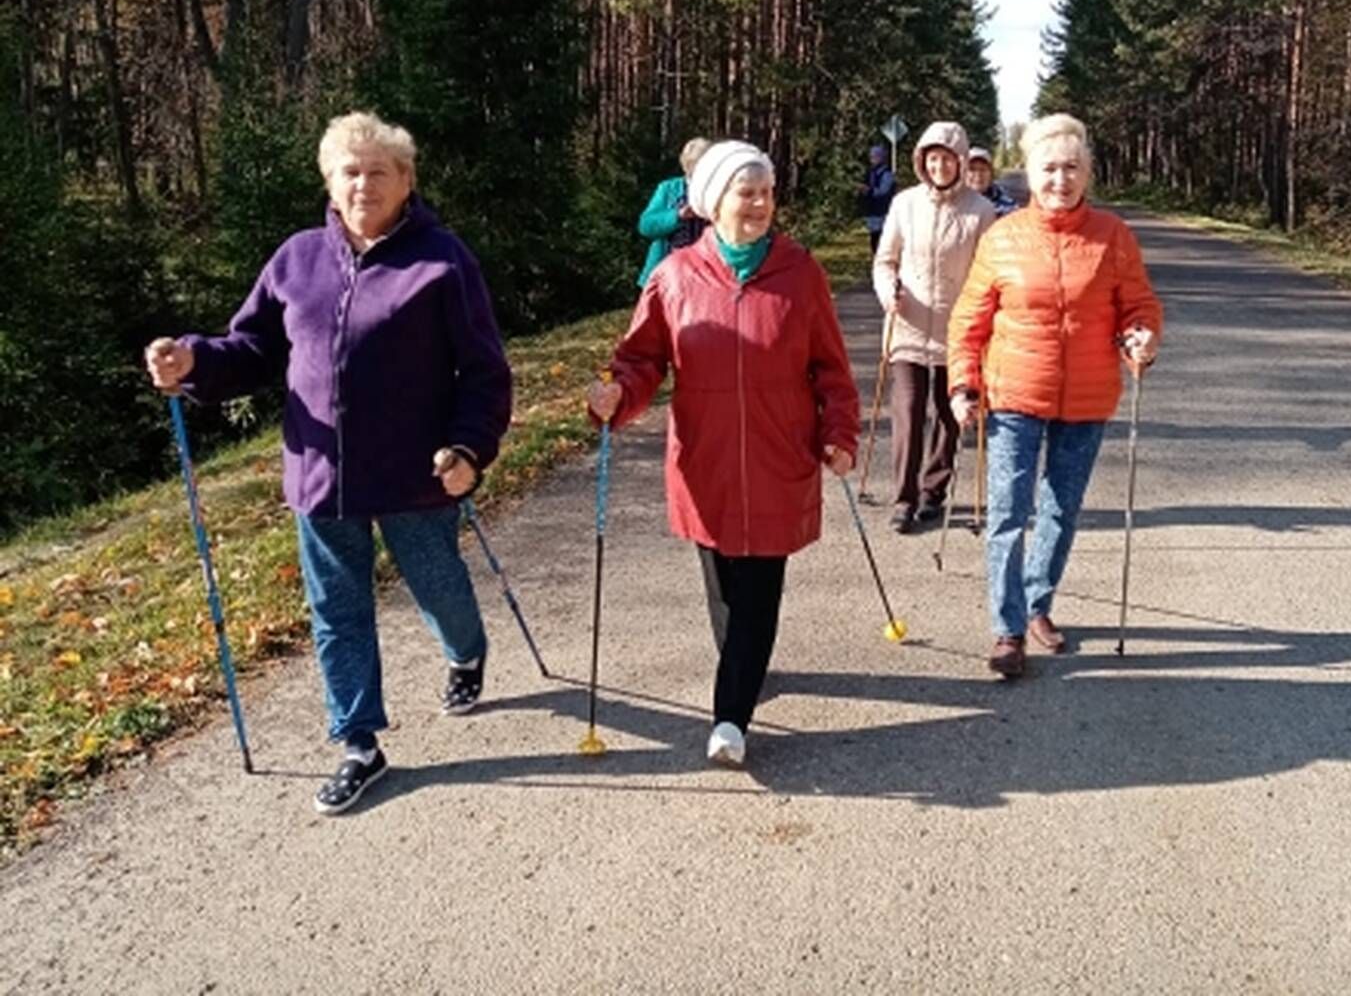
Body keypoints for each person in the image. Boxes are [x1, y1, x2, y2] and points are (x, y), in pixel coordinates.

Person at [143, 111, 512, 812]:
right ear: (329, 181)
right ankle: (359, 744)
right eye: (351, 171)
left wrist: (469, 449)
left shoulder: (443, 260)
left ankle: (466, 653)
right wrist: (193, 360)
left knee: (440, 589)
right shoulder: (296, 259)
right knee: (337, 612)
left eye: (380, 171)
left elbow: (485, 372)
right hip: (321, 476)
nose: (364, 183)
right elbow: (251, 350)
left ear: (407, 181)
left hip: (417, 473)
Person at [588, 140, 859, 768]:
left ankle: (730, 718)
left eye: (767, 191)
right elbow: (640, 360)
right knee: (727, 591)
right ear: (713, 202)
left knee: (758, 591)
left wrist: (839, 433)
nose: (761, 203)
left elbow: (832, 370)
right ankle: (743, 667)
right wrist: (615, 397)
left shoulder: (800, 272)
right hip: (704, 461)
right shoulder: (675, 277)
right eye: (747, 191)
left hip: (778, 456)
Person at [946, 112, 1161, 678]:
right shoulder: (1003, 236)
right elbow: (969, 318)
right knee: (1008, 514)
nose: (1059, 180)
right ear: (1029, 176)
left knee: (1061, 511)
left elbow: (1139, 305)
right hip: (1014, 393)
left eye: (1070, 168)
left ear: (1087, 172)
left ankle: (1037, 602)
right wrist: (962, 382)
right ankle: (1007, 627)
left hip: (1088, 398)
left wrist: (1142, 337)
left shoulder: (1113, 236)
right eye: (1048, 169)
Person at [872, 121, 995, 533]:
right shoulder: (905, 204)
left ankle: (933, 491)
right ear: (922, 161)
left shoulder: (981, 211)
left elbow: (989, 272)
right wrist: (888, 290)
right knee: (907, 409)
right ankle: (903, 498)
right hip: (907, 324)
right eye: (933, 158)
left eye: (947, 159)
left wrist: (983, 319)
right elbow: (884, 259)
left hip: (957, 331)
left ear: (961, 162)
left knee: (948, 414)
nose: (940, 166)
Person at [636, 136, 713, 286]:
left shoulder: (719, 192)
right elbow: (646, 226)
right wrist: (677, 216)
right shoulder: (668, 189)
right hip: (668, 273)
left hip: (706, 274)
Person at [858, 143, 897, 256]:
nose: (872, 159)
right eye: (871, 157)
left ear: (881, 157)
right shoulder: (871, 173)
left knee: (882, 238)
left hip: (883, 211)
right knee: (874, 237)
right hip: (873, 210)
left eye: (874, 156)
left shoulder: (887, 174)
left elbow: (884, 191)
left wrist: (868, 190)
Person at [967, 147, 1019, 216]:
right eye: (972, 169)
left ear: (991, 174)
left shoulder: (1007, 205)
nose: (978, 174)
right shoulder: (954, 203)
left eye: (983, 169)